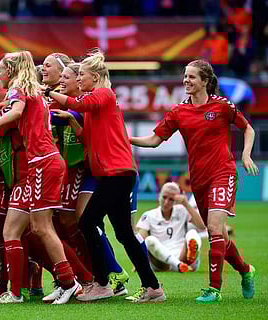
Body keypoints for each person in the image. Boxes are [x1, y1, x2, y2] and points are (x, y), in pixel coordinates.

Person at [130, 59, 258, 303]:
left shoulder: (222, 106)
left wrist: (245, 153)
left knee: (213, 229)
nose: (186, 80)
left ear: (205, 81)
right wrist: (124, 139)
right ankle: (245, 270)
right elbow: (154, 140)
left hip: (223, 172)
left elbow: (248, 129)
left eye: (191, 77)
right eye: (185, 76)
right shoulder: (179, 111)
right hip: (198, 180)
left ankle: (214, 289)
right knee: (219, 235)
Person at [45, 49, 165, 303]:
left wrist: (49, 93)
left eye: (82, 77)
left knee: (87, 223)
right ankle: (152, 288)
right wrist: (74, 122)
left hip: (116, 174)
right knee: (123, 233)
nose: (79, 81)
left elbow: (79, 104)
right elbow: (86, 138)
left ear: (96, 77)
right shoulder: (96, 104)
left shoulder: (103, 94)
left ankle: (101, 284)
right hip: (116, 174)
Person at [0, 51, 81, 304]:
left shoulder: (18, 88)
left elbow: (17, 112)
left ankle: (68, 282)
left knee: (42, 227)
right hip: (38, 164)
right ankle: (16, 292)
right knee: (11, 230)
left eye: (0, 71)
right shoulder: (34, 90)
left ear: (10, 71)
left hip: (43, 162)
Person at [135, 182, 205, 273]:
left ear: (176, 200)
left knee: (192, 233)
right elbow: (140, 241)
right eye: (164, 197)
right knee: (149, 240)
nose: (166, 202)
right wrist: (138, 262)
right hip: (162, 262)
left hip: (183, 256)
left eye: (171, 199)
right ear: (159, 195)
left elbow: (202, 226)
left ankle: (189, 259)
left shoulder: (182, 210)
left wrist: (186, 204)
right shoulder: (149, 215)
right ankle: (178, 265)